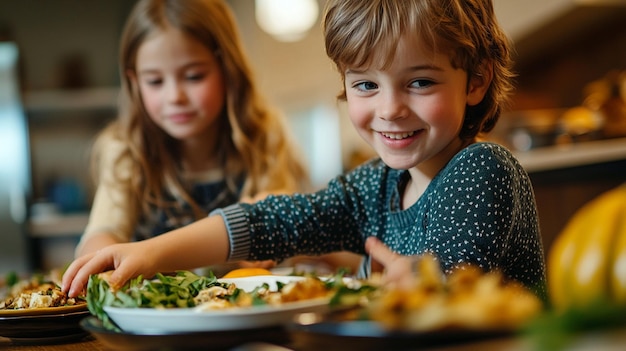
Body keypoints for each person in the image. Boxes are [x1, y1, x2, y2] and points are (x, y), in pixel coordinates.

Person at [63, 0, 547, 299]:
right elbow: (272, 222)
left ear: (477, 81)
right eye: (365, 85)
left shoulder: (483, 169)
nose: (390, 108)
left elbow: (446, 292)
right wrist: (147, 254)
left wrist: (409, 286)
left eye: (419, 81)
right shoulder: (372, 184)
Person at [74, 0, 360, 274]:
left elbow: (275, 218)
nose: (175, 96)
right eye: (155, 81)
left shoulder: (262, 138)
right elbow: (102, 234)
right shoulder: (126, 150)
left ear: (228, 71)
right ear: (134, 83)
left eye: (194, 76)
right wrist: (100, 258)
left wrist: (268, 249)